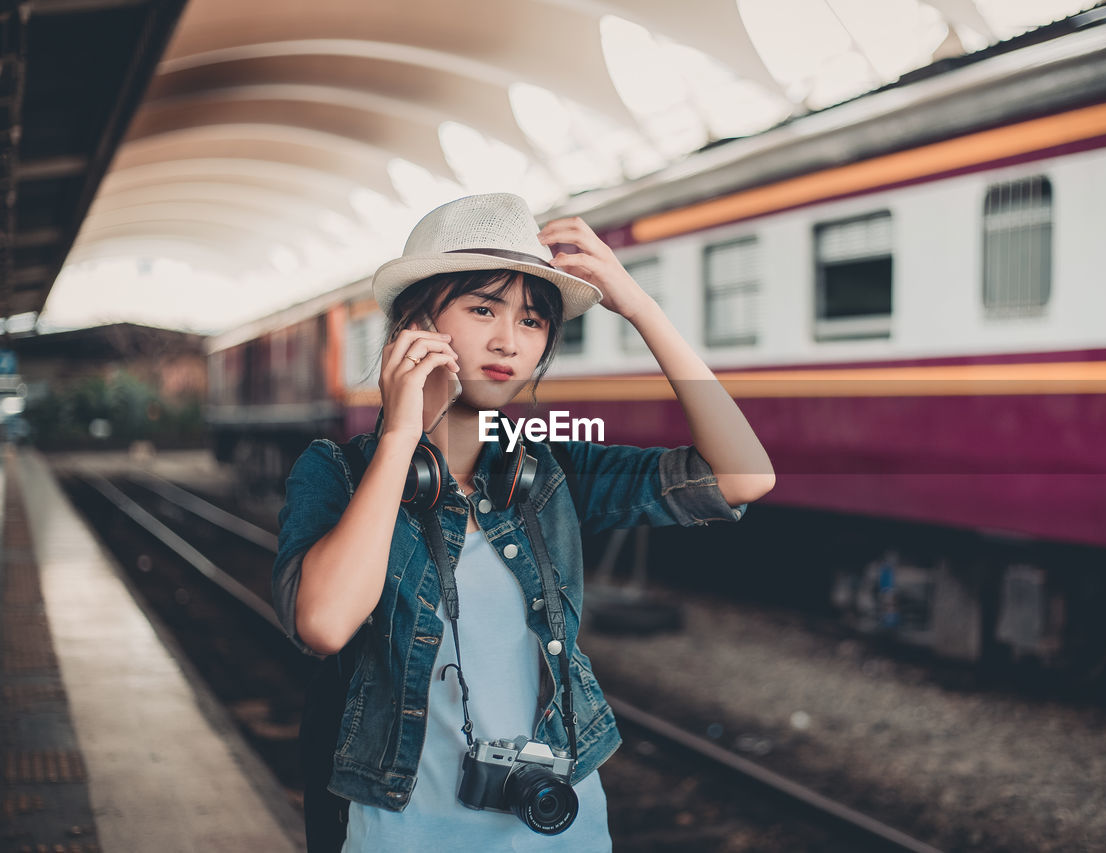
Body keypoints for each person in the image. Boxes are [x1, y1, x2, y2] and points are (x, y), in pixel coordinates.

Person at [272, 192, 775, 851]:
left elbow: (742, 477)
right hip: (406, 832)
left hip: (557, 831)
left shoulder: (549, 473)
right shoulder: (337, 471)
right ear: (417, 321)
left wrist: (640, 308)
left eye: (534, 320)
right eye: (483, 309)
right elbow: (323, 622)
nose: (510, 339)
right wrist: (400, 438)